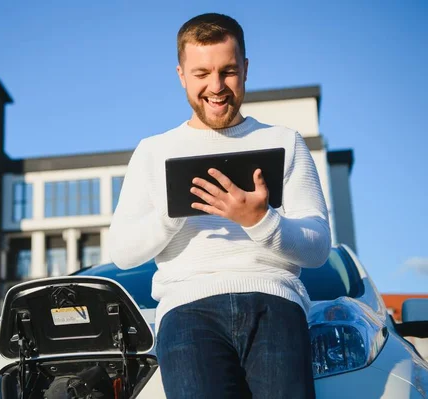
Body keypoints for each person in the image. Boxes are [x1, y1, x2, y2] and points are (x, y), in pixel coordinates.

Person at [107, 12, 331, 399]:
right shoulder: (153, 152)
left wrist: (261, 221)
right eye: (201, 73)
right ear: (181, 74)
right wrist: (169, 215)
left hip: (275, 304)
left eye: (228, 71)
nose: (216, 86)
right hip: (187, 309)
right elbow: (122, 254)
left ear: (245, 68)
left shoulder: (285, 141)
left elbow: (317, 247)